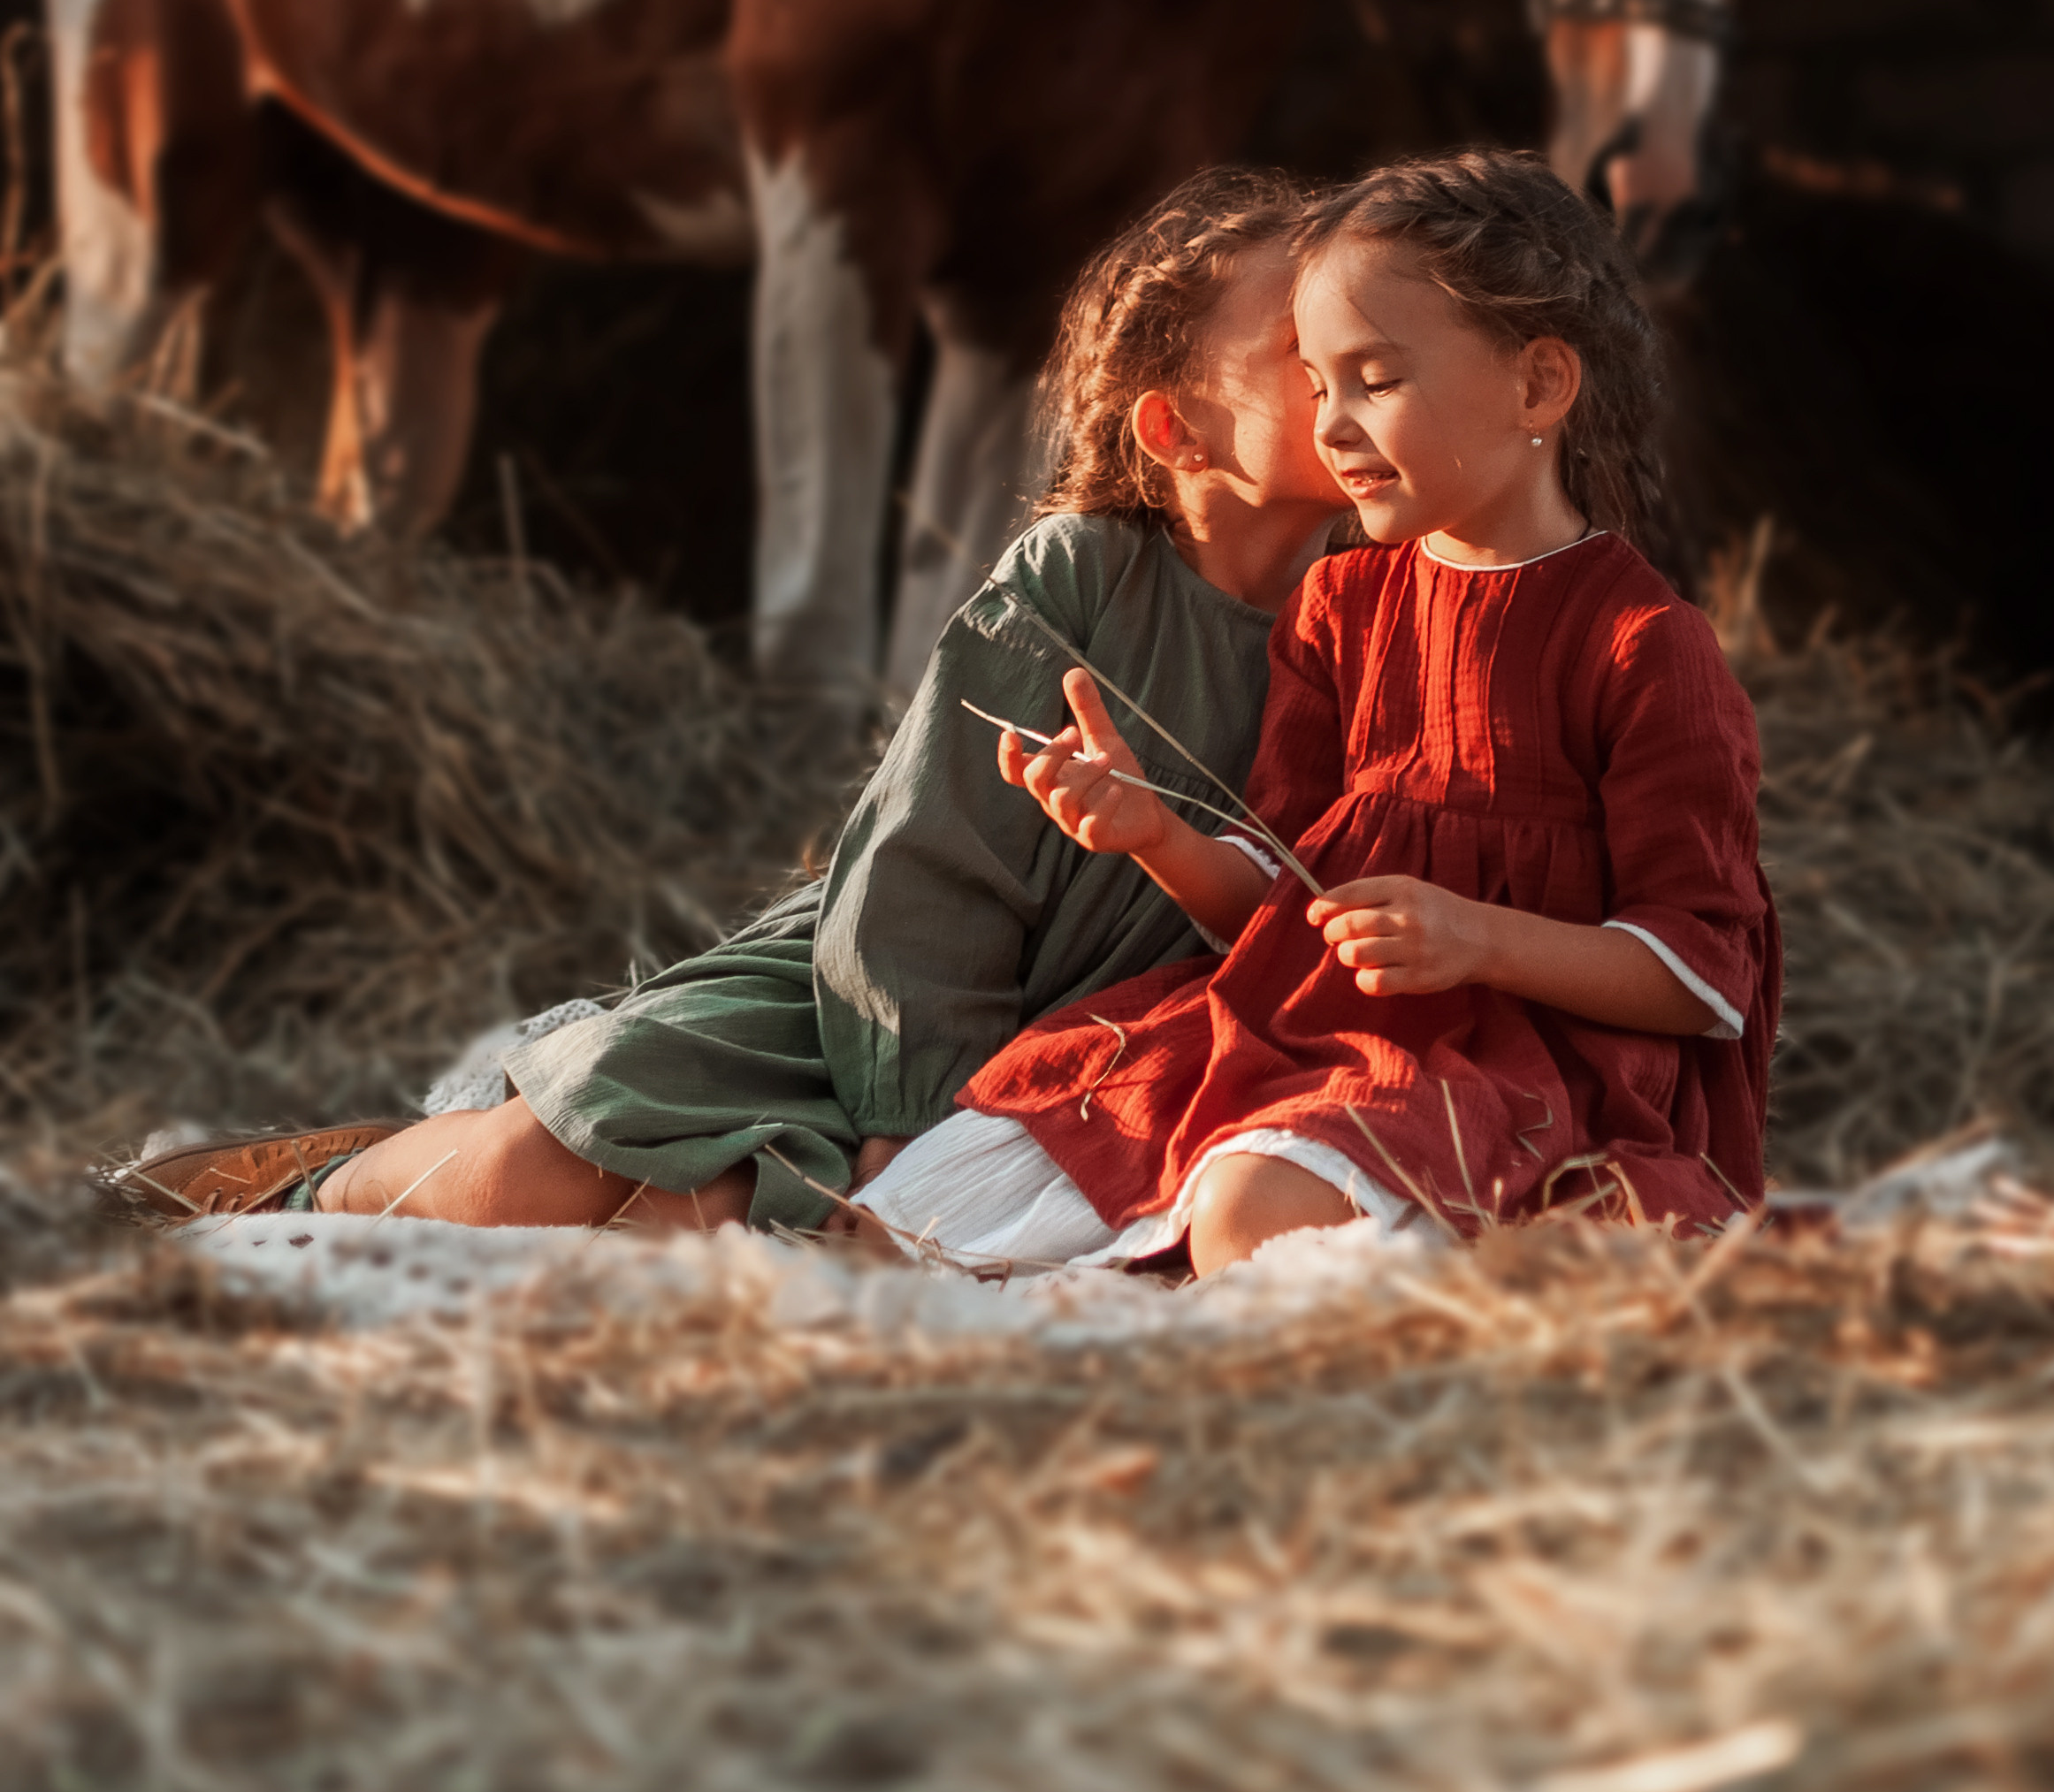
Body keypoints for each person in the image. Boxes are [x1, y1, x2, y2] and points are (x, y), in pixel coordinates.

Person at [118, 167, 1346, 1232]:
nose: (1351, 366)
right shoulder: (1079, 572)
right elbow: (924, 869)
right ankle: (318, 1187)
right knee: (548, 1166)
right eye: (1307, 343)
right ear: (1177, 429)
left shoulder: (1371, 596)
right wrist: (901, 1121)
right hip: (883, 1003)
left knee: (699, 1212)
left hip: (1096, 1049)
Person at [852, 150, 1779, 1277]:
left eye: (1375, 377)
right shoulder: (1339, 603)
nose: (1332, 424)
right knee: (904, 1220)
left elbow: (1700, 977)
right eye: (1317, 382)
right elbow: (1280, 897)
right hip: (1293, 1028)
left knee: (1252, 1213)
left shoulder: (1643, 643)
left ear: (1538, 386)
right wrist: (1154, 832)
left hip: (1520, 1074)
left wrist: (1475, 939)